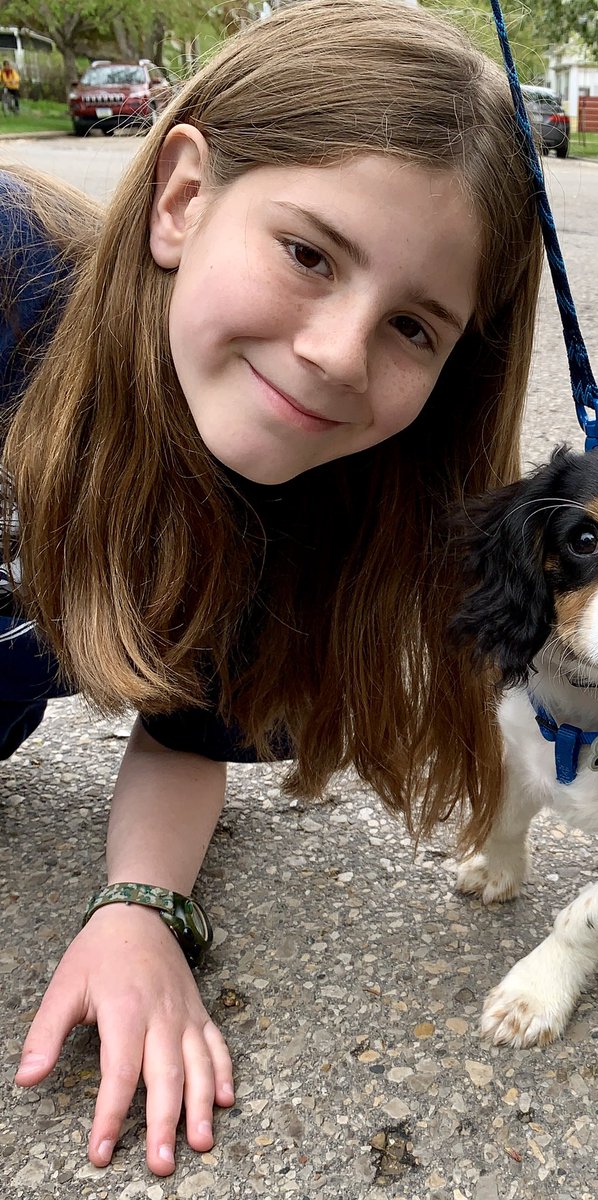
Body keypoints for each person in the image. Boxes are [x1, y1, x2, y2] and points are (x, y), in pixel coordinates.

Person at [1, 0, 543, 1177]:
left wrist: (142, 905)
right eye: (308, 253)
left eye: (411, 325)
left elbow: (187, 732)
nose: (340, 354)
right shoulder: (7, 279)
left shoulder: (297, 489)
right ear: (184, 198)